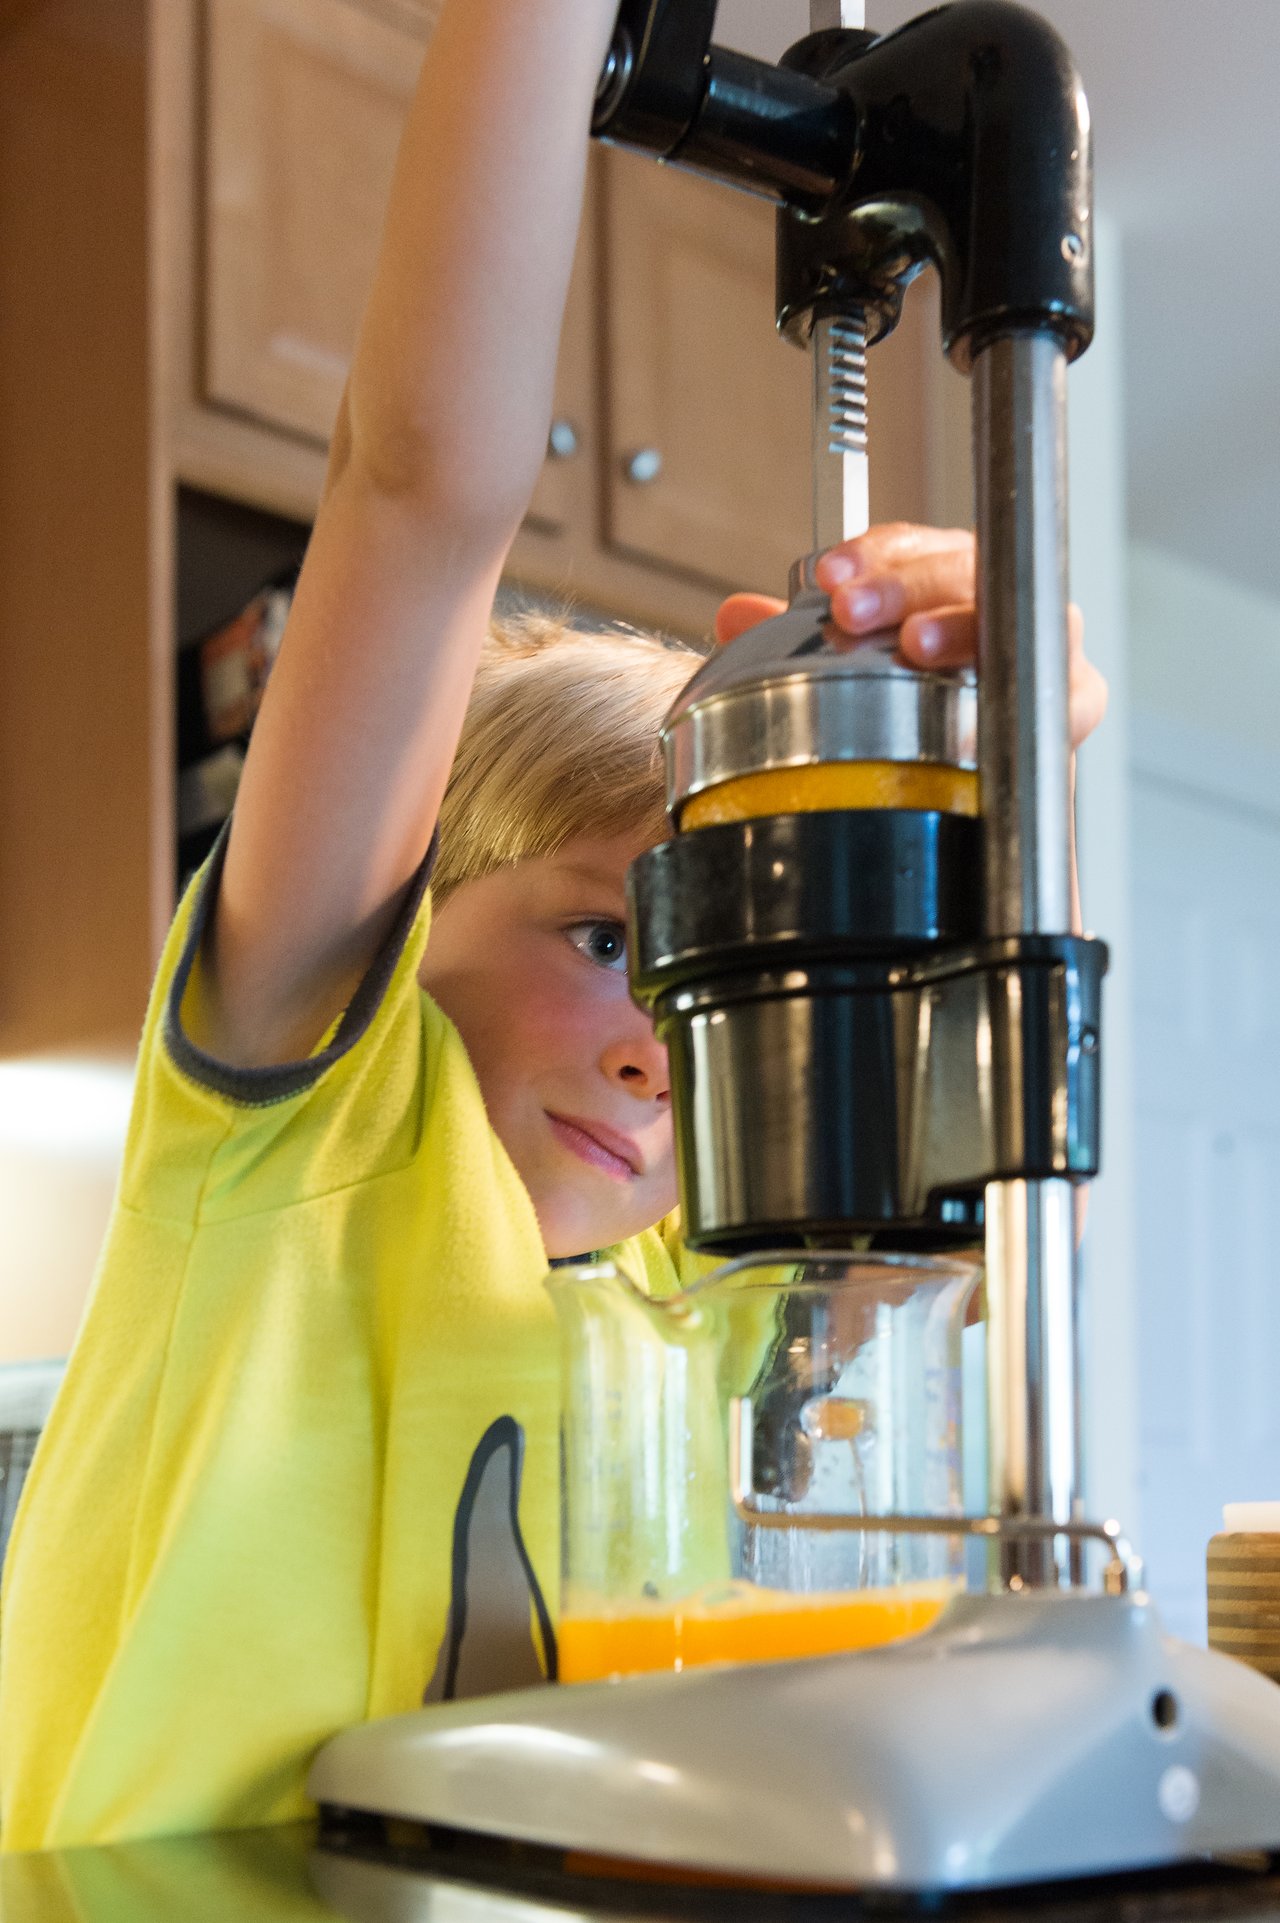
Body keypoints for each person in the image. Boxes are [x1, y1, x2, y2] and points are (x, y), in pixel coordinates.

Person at [0, 0, 1106, 1852]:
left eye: (694, 988)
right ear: (414, 904)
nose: (648, 1053)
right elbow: (420, 490)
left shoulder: (701, 1294)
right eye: (605, 940)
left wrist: (1026, 728)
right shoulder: (317, 1123)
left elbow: (940, 1074)